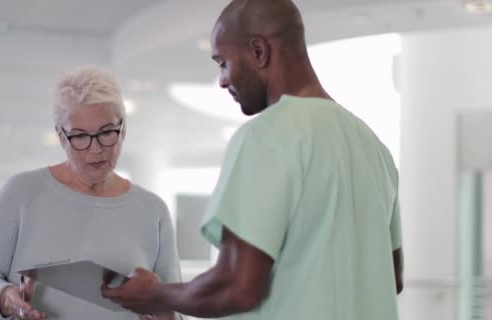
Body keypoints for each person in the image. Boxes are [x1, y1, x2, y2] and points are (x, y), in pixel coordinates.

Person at [102, 0, 404, 319]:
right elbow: (391, 278)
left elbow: (237, 287)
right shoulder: (374, 148)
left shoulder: (267, 135)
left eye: (223, 62)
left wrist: (155, 293)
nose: (222, 80)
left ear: (259, 51)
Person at [0, 66, 181, 320]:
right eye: (79, 136)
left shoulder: (153, 211)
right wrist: (7, 299)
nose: (95, 149)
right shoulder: (21, 194)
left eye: (106, 132)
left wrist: (165, 312)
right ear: (61, 136)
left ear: (124, 129)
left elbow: (174, 306)